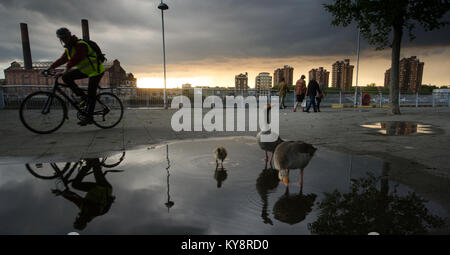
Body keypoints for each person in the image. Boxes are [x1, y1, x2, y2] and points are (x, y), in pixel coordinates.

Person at [48, 28, 105, 126]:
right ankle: (83, 97)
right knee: (66, 77)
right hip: (85, 71)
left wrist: (66, 68)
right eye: (62, 38)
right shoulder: (69, 49)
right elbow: (62, 59)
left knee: (91, 94)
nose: (64, 40)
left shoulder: (81, 45)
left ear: (69, 35)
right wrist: (50, 67)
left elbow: (77, 58)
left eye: (65, 37)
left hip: (96, 71)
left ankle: (89, 117)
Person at [52, 158, 115, 230]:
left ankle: (88, 165)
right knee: (96, 167)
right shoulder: (92, 213)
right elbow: (84, 202)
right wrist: (70, 194)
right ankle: (94, 159)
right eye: (77, 221)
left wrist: (62, 194)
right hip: (104, 188)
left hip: (94, 189)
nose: (77, 219)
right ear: (82, 222)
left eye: (76, 220)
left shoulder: (83, 211)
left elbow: (74, 200)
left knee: (75, 185)